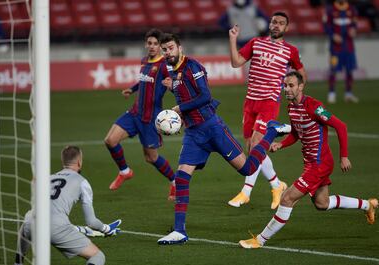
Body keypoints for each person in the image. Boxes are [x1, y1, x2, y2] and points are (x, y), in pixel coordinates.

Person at [156, 33, 292, 245]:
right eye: (164, 49)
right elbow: (187, 96)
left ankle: (272, 131)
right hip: (193, 134)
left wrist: (179, 108)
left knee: (247, 169)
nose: (167, 52)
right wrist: (181, 112)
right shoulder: (173, 72)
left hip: (213, 128)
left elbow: (205, 97)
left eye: (170, 48)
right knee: (182, 178)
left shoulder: (193, 67)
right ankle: (179, 231)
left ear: (179, 47)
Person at [239, 71, 378, 249]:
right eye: (285, 85)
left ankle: (260, 240)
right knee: (322, 203)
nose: (286, 89)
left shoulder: (314, 106)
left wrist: (344, 156)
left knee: (287, 198)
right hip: (311, 163)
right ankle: (368, 205)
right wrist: (281, 144)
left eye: (291, 85)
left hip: (319, 164)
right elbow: (297, 133)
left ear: (301, 86)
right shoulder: (291, 107)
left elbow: (341, 126)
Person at [228, 12, 307, 209]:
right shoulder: (256, 42)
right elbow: (236, 62)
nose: (276, 25)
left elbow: (301, 74)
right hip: (250, 102)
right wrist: (232, 39)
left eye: (281, 23)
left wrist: (295, 93)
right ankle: (277, 184)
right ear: (269, 24)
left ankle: (246, 192)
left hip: (269, 102)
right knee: (252, 148)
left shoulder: (290, 51)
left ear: (286, 28)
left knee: (256, 144)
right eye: (274, 22)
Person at [10, 146, 121, 265]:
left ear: (63, 162)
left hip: (31, 222)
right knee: (98, 255)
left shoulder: (47, 178)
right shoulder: (82, 182)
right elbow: (91, 222)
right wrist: (106, 229)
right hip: (57, 228)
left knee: (26, 225)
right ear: (79, 162)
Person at [104, 28, 176, 200]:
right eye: (149, 43)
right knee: (110, 140)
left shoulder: (164, 66)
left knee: (151, 158)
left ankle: (175, 182)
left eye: (155, 44)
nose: (151, 46)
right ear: (146, 44)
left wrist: (171, 85)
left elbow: (174, 84)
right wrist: (132, 88)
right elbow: (143, 80)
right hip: (135, 113)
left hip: (150, 119)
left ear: (160, 46)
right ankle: (125, 171)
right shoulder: (144, 61)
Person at [324, 0, 359, 104]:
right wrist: (333, 35)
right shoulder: (330, 10)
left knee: (349, 70)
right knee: (333, 70)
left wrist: (353, 30)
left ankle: (348, 94)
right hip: (335, 48)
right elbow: (326, 26)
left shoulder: (351, 9)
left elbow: (354, 23)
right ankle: (331, 94)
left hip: (348, 47)